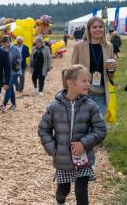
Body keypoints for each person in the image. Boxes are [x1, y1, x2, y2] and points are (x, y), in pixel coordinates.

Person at [38, 64, 106, 205]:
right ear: (70, 83)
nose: (88, 84)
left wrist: (84, 143)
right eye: (84, 81)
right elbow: (43, 129)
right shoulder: (54, 107)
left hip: (83, 158)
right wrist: (53, 150)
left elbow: (100, 129)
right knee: (64, 190)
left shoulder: (91, 106)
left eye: (89, 80)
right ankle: (59, 200)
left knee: (81, 192)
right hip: (62, 158)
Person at [71, 17, 117, 118]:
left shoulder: (108, 46)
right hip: (83, 94)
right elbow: (71, 71)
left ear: (104, 29)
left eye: (100, 27)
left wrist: (112, 69)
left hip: (101, 94)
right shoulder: (79, 46)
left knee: (98, 126)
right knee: (83, 125)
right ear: (89, 29)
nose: (98, 29)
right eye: (94, 27)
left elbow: (110, 75)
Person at [0, 36, 22, 112]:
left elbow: (20, 58)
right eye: (3, 44)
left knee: (8, 87)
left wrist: (15, 62)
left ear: (9, 42)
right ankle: (14, 105)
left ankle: (4, 105)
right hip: (6, 72)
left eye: (5, 44)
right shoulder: (1, 49)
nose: (4, 45)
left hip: (14, 71)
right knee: (10, 88)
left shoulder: (15, 49)